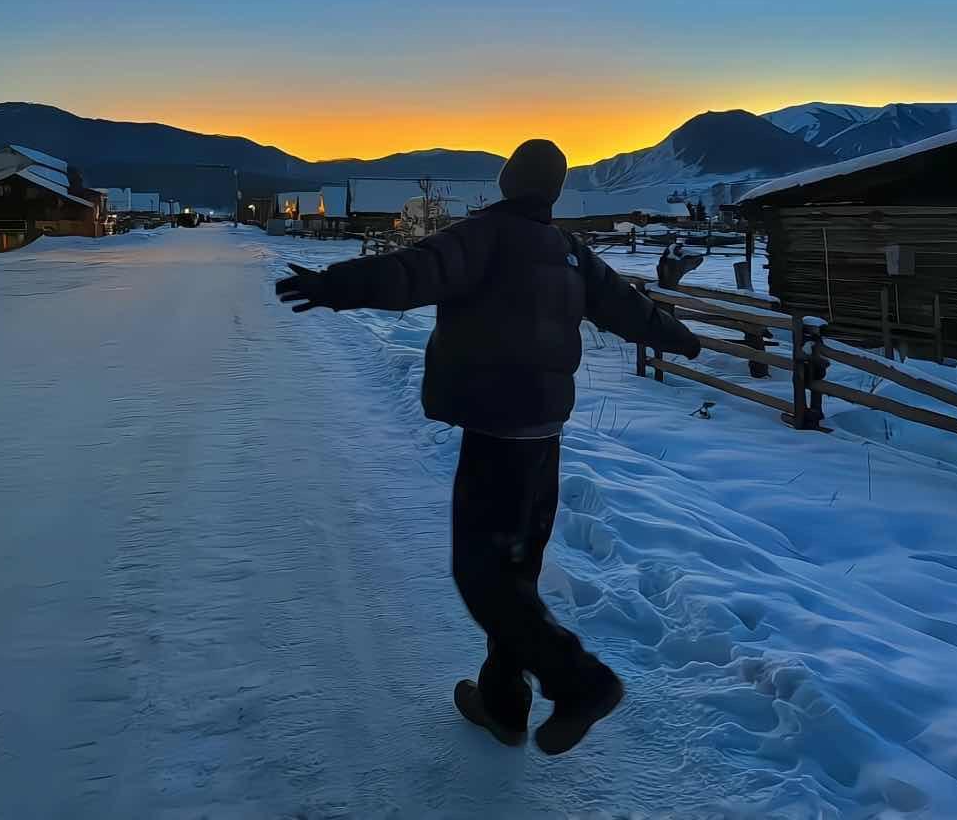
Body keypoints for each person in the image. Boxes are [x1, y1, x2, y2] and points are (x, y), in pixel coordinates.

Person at [275, 139, 701, 754]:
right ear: (552, 193)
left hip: (495, 435)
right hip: (543, 436)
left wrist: (334, 284)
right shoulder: (569, 252)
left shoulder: (485, 235)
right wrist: (681, 340)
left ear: (506, 182)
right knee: (515, 576)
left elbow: (410, 272)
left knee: (482, 575)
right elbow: (628, 307)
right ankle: (503, 704)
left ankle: (580, 682)